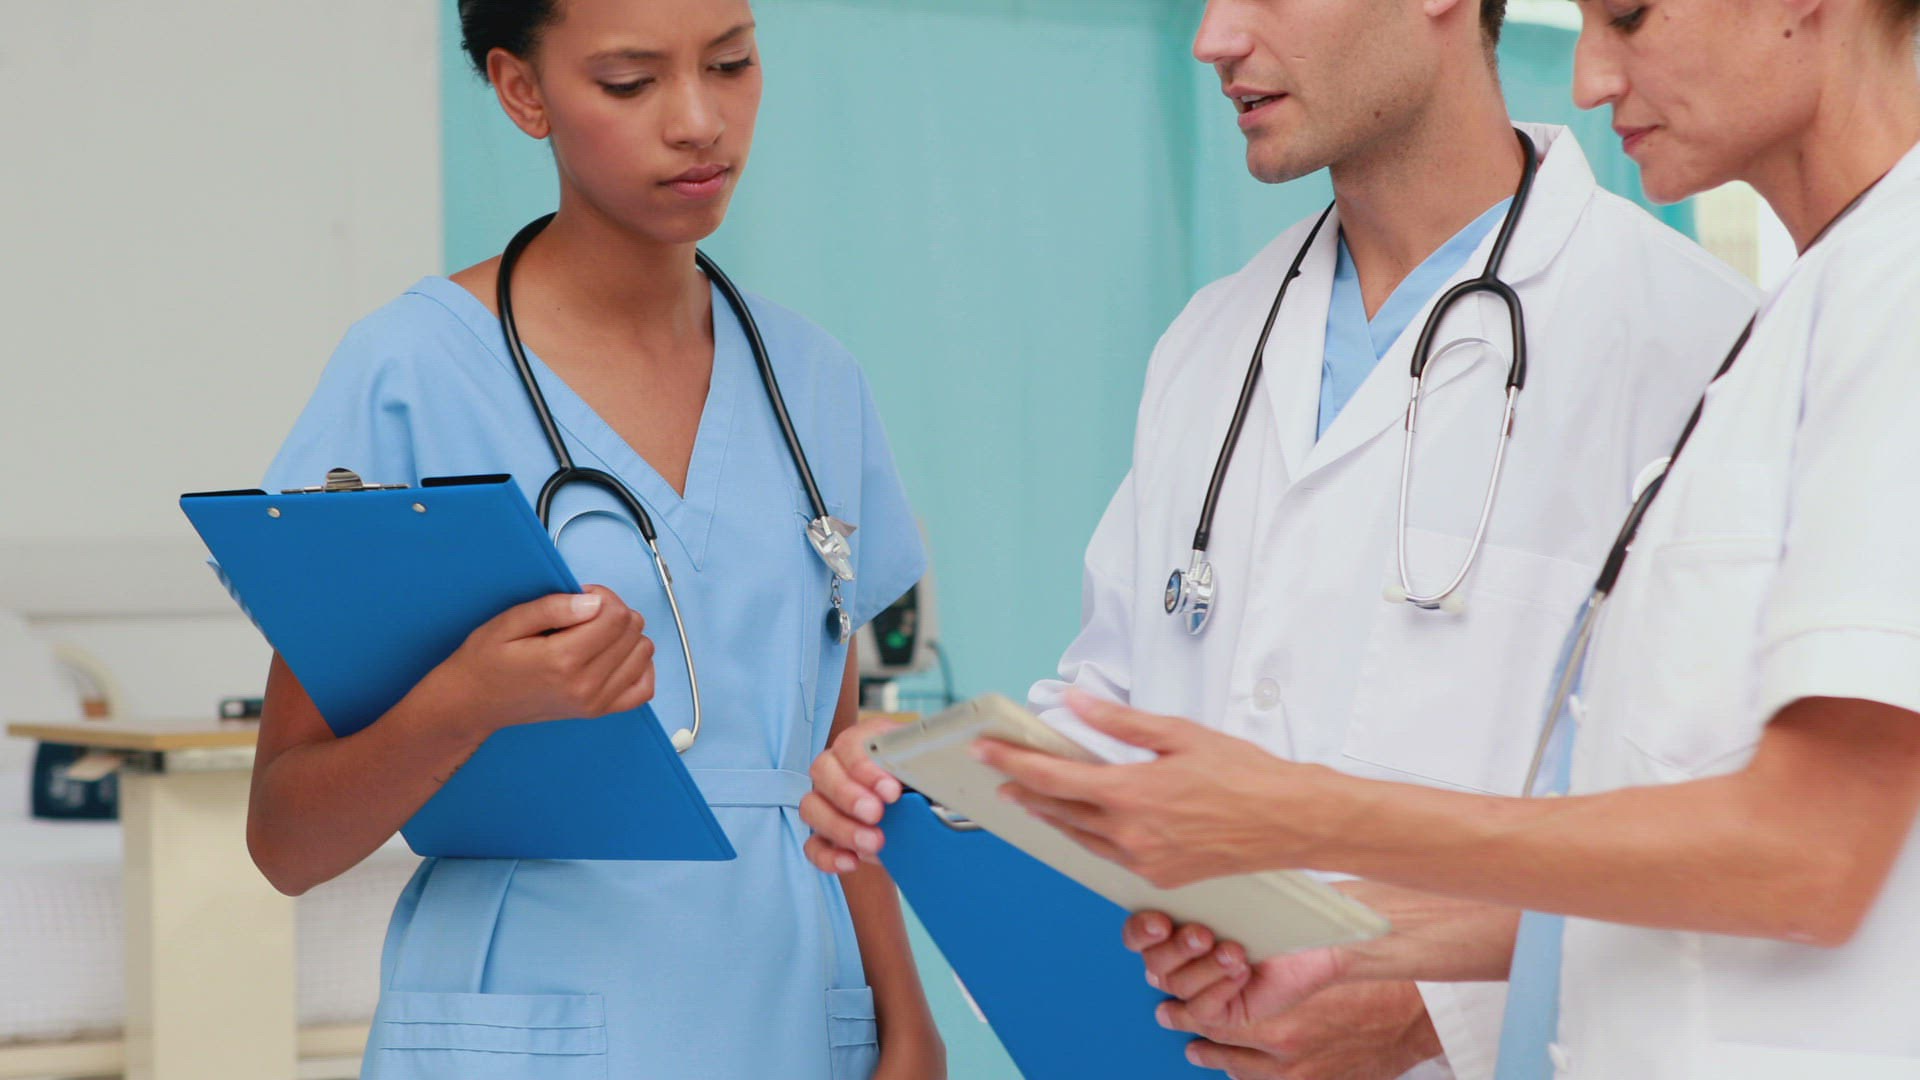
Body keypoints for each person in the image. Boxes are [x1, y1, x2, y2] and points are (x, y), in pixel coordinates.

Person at [802, 0, 1756, 1074]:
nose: (1214, 39)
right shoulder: (1214, 338)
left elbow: (1756, 848)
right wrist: (942, 780)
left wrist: (1439, 1010)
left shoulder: (1696, 345)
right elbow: (1124, 719)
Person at [978, 0, 1920, 1075]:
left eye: (1627, 15)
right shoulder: (1811, 311)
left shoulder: (1807, 309)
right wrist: (1359, 946)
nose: (1588, 78)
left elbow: (1810, 853)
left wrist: (1305, 823)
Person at [243, 1, 943, 1076]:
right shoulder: (412, 373)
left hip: (799, 1009)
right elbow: (287, 841)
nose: (699, 120)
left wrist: (907, 1021)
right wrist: (466, 701)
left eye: (732, 64)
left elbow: (836, 767)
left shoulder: (814, 382)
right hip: (529, 1021)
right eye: (631, 82)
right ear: (524, 92)